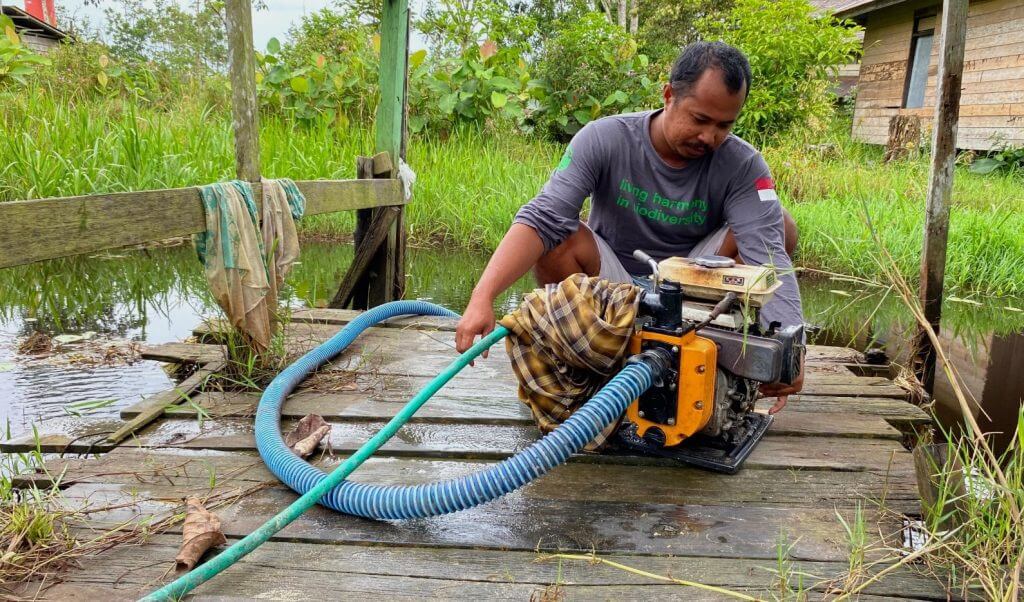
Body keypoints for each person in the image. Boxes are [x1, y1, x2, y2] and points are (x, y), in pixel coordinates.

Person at [455, 41, 804, 414]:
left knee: (779, 226)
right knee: (559, 236)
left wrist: (790, 351)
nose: (710, 137)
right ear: (669, 95)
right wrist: (482, 297)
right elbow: (543, 218)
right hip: (610, 286)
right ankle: (590, 356)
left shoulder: (743, 163)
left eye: (724, 125)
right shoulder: (604, 137)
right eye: (700, 120)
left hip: (692, 286)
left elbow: (767, 251)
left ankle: (707, 355)